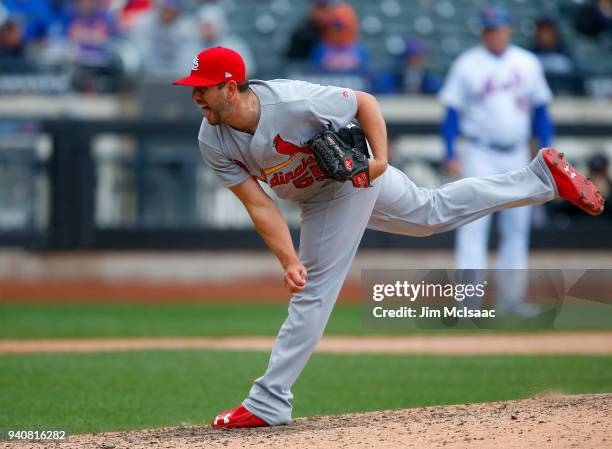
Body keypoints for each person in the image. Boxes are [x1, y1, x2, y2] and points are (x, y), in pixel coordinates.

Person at [172, 46, 603, 428]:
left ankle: (268, 401)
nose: (195, 95)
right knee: (431, 212)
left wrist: (379, 161)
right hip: (322, 192)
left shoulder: (291, 100)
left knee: (315, 290)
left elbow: (364, 102)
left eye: (203, 87)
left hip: (347, 183)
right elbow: (259, 203)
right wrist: (288, 258)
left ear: (230, 88)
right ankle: (541, 177)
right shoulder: (212, 139)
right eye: (194, 87)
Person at [439, 6, 555, 315]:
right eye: (490, 29)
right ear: (483, 32)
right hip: (479, 151)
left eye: (499, 28)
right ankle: (468, 302)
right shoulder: (467, 64)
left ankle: (512, 299)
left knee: (517, 227)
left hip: (518, 152)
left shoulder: (527, 62)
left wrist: (548, 148)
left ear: (508, 30)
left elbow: (541, 110)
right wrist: (450, 152)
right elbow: (450, 113)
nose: (495, 33)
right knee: (472, 224)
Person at [531, 17, 582, 95]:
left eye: (548, 33)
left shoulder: (566, 56)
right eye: (542, 32)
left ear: (555, 34)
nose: (545, 37)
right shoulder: (530, 57)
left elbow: (577, 85)